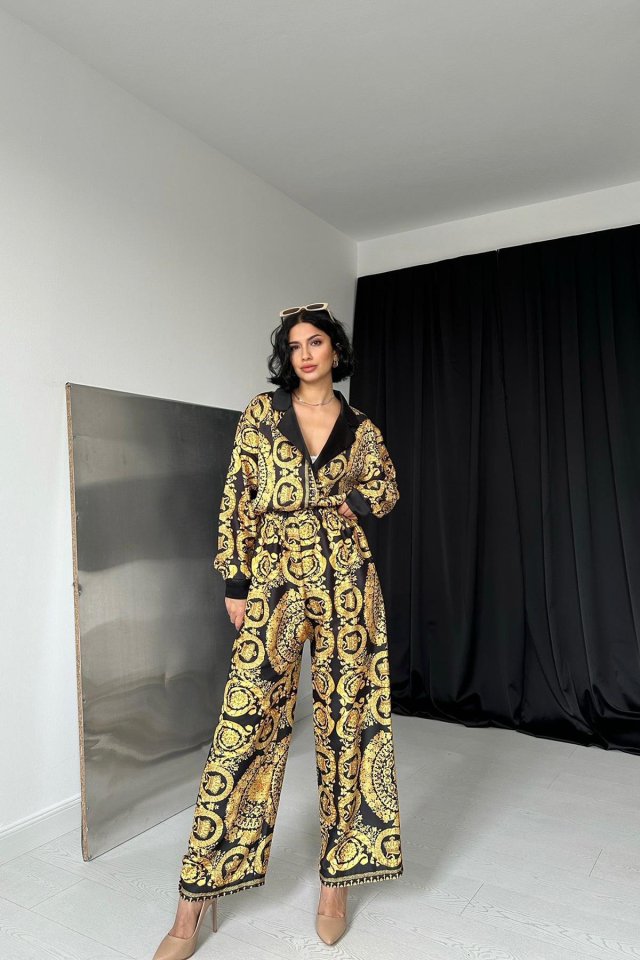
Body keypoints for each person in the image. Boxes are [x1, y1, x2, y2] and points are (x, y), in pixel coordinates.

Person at [152, 303, 403, 959]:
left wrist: (355, 500)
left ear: (334, 350)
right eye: (295, 345)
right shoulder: (263, 415)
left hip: (347, 578)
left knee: (349, 725)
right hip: (274, 573)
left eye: (316, 342)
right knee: (245, 727)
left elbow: (386, 489)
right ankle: (193, 901)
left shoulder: (361, 427)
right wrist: (236, 580)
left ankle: (336, 884)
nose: (306, 354)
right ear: (286, 356)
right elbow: (238, 496)